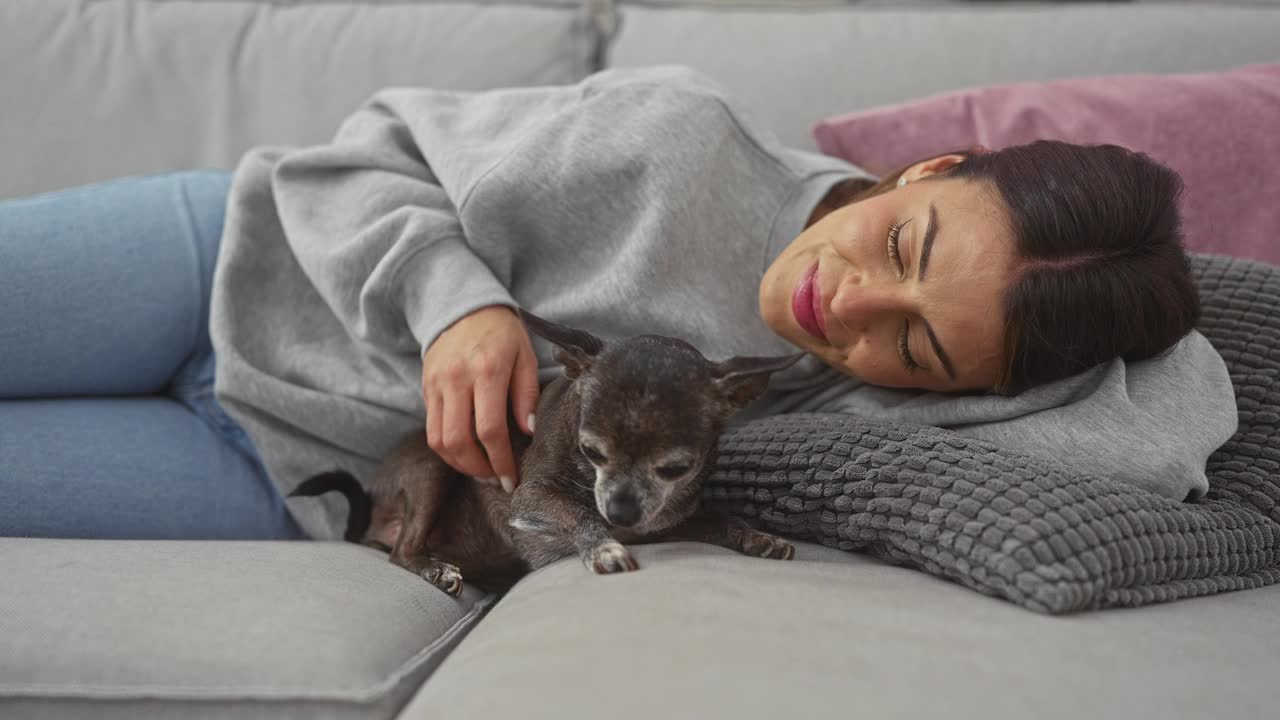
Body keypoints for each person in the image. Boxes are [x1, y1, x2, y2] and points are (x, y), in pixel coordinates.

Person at [0, 65, 1237, 541]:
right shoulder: (675, 140)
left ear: (966, 387)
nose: (845, 303)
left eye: (914, 341)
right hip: (227, 256)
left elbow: (1162, 442)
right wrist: (454, 305)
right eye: (901, 240)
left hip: (270, 460)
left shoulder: (839, 406)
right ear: (924, 172)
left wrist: (1134, 315)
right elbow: (368, 147)